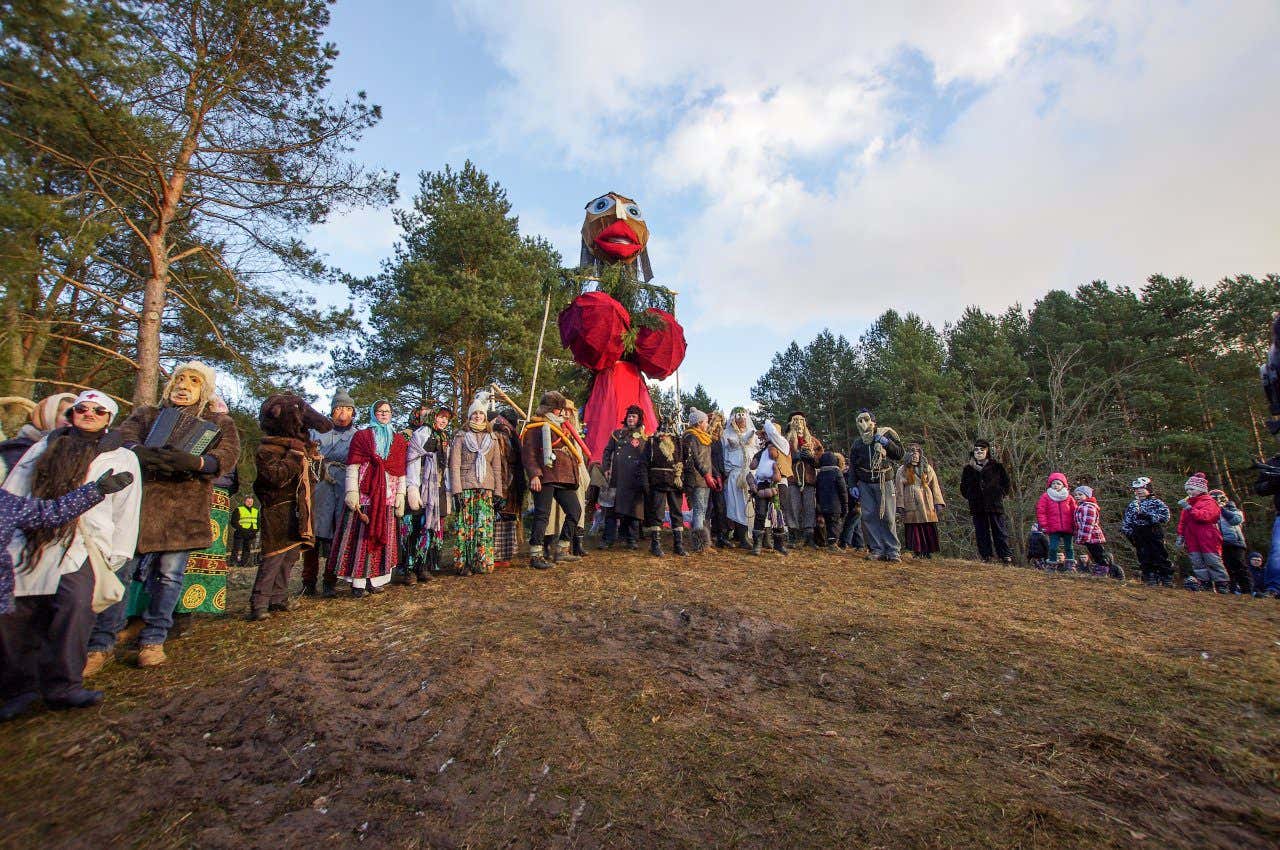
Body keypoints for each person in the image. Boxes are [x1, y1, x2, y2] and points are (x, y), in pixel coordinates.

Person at [86, 361, 240, 672]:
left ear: (204, 388)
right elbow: (121, 438)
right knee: (121, 571)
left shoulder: (218, 422)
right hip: (139, 505)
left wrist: (196, 462)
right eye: (179, 379)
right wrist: (137, 451)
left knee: (169, 576)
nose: (184, 386)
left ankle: (153, 639)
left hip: (183, 507)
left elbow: (227, 456)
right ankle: (101, 644)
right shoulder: (147, 415)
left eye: (193, 381)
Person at [0, 391, 138, 719]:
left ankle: (64, 685)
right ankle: (17, 688)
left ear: (109, 417)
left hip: (84, 542)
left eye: (98, 410)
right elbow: (16, 490)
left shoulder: (121, 456)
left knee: (75, 605)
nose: (89, 414)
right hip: (32, 537)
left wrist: (118, 553)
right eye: (82, 408)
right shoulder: (44, 447)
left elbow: (128, 509)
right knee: (18, 613)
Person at [249, 394, 329, 620]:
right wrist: (295, 456)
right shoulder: (268, 449)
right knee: (273, 555)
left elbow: (314, 479)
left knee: (291, 555)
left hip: (300, 508)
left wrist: (315, 461)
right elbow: (274, 477)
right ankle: (259, 602)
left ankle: (278, 597)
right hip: (278, 509)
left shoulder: (302, 449)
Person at [329, 401, 408, 598]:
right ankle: (358, 582)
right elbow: (353, 466)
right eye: (380, 411)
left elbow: (400, 471)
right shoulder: (362, 437)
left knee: (383, 538)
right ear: (373, 413)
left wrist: (400, 494)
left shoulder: (397, 440)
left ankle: (375, 579)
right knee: (361, 538)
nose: (384, 414)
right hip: (365, 496)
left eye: (388, 411)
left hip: (387, 496)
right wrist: (352, 491)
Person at [301, 390, 357, 596]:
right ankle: (308, 580)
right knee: (313, 534)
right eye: (339, 408)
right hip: (320, 485)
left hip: (344, 486)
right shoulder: (318, 431)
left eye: (348, 409)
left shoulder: (357, 435)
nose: (343, 413)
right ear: (333, 410)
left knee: (338, 535)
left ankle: (330, 581)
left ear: (353, 413)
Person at [520, 391, 583, 570]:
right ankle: (536, 554)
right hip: (545, 477)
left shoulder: (563, 427)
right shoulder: (535, 427)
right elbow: (529, 453)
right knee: (542, 515)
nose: (561, 412)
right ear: (549, 409)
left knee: (574, 511)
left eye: (561, 409)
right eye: (558, 409)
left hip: (564, 477)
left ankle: (562, 549)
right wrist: (534, 474)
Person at [448, 397, 506, 575]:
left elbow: (496, 467)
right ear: (470, 416)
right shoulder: (461, 436)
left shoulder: (493, 439)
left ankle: (481, 561)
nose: (478, 416)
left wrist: (498, 492)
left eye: (481, 413)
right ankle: (464, 563)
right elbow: (454, 465)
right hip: (466, 487)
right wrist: (456, 490)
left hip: (485, 488)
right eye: (475, 413)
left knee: (483, 526)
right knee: (465, 527)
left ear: (485, 416)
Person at [402, 405, 453, 581]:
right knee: (413, 527)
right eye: (440, 417)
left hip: (436, 487)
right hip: (420, 485)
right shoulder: (422, 433)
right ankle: (408, 569)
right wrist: (412, 487)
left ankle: (423, 566)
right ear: (433, 417)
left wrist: (447, 489)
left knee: (429, 527)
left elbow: (445, 465)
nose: (444, 420)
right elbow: (413, 460)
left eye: (446, 418)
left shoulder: (445, 437)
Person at [847, 409, 904, 562]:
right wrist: (852, 484)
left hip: (884, 480)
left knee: (888, 516)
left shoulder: (886, 435)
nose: (864, 424)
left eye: (866, 420)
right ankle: (876, 549)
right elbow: (853, 465)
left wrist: (887, 443)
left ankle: (892, 550)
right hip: (865, 483)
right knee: (869, 516)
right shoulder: (858, 443)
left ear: (873, 421)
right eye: (860, 421)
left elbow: (899, 454)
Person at [0, 392, 76, 481]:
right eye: (67, 415)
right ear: (50, 416)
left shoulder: (75, 451)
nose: (73, 421)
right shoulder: (18, 450)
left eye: (76, 415)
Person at [601, 405, 647, 550]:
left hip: (635, 478)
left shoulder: (644, 436)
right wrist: (606, 468)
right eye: (629, 416)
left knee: (634, 509)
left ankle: (631, 539)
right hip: (617, 477)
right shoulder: (617, 434)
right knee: (611, 508)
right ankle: (608, 539)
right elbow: (607, 452)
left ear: (638, 419)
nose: (631, 418)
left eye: (634, 416)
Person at [959, 439, 1013, 564]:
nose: (979, 452)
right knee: (981, 531)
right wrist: (971, 495)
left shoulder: (996, 466)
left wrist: (1000, 493)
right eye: (976, 449)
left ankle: (1005, 555)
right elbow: (963, 487)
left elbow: (1006, 483)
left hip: (995, 503)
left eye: (982, 450)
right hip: (977, 504)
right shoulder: (968, 469)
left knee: (999, 530)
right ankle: (986, 556)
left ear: (987, 451)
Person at [641, 417, 686, 558]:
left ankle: (678, 544)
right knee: (657, 513)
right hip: (657, 482)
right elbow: (643, 464)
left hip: (675, 482)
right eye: (664, 427)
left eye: (669, 427)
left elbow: (685, 462)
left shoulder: (678, 442)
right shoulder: (652, 441)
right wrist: (645, 483)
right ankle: (655, 544)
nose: (666, 431)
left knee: (677, 513)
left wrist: (685, 482)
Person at [1176, 472, 1228, 593]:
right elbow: (1183, 521)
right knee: (1197, 561)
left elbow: (1206, 516)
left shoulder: (1209, 502)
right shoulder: (1188, 503)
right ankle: (1205, 583)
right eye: (1188, 489)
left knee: (1212, 560)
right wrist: (1181, 535)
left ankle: (1221, 583)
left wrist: (1190, 509)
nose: (1189, 492)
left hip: (1208, 536)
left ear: (1201, 489)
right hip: (1192, 537)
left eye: (1192, 489)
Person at [1121, 477, 1174, 587]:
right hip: (1138, 532)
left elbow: (1165, 517)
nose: (1139, 491)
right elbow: (1127, 520)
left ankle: (1166, 576)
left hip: (1153, 531)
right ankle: (1149, 576)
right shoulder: (1133, 505)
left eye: (1141, 488)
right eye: (1136, 489)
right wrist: (1128, 532)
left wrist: (1150, 517)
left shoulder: (1156, 502)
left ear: (1148, 488)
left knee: (1159, 553)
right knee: (1143, 555)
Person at [748, 420, 790, 556]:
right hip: (762, 484)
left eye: (767, 434)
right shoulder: (763, 451)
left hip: (780, 483)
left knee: (778, 513)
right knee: (760, 513)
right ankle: (757, 544)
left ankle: (779, 544)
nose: (765, 437)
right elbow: (752, 465)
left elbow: (773, 434)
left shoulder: (783, 445)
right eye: (764, 435)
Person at [895, 443, 945, 559]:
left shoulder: (927, 468)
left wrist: (938, 502)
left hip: (926, 500)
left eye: (917, 452)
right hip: (911, 500)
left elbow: (935, 485)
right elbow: (899, 490)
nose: (915, 455)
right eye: (912, 452)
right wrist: (900, 505)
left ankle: (928, 551)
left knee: (927, 526)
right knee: (915, 526)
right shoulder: (902, 470)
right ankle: (917, 551)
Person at [783, 413, 824, 547]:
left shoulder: (812, 441)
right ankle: (793, 536)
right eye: (795, 420)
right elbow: (782, 458)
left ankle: (809, 536)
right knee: (792, 507)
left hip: (809, 479)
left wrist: (812, 459)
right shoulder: (786, 442)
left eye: (801, 420)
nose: (799, 423)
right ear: (791, 423)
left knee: (809, 507)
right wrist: (795, 457)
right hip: (792, 479)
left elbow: (820, 459)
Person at [489, 410, 523, 568]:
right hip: (503, 480)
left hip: (509, 481)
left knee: (506, 516)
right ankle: (497, 555)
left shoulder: (506, 434)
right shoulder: (500, 435)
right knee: (500, 515)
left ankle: (503, 555)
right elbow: (500, 460)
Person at [721, 408, 759, 549]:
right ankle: (742, 537)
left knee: (752, 505)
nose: (742, 419)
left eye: (744, 416)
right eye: (739, 417)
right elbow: (724, 455)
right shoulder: (726, 435)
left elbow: (757, 452)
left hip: (751, 474)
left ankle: (753, 535)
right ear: (733, 419)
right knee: (738, 505)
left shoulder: (753, 435)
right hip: (736, 475)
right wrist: (726, 473)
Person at [681, 408, 716, 554]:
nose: (707, 425)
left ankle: (704, 542)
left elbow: (707, 460)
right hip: (697, 478)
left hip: (705, 478)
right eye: (706, 422)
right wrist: (706, 474)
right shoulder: (691, 437)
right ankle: (700, 544)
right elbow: (695, 458)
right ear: (699, 423)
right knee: (699, 510)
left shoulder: (704, 437)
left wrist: (714, 475)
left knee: (703, 510)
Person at [1072, 485, 1118, 578]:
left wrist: (1084, 537)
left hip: (1093, 536)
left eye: (1080, 494)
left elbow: (1088, 523)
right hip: (1089, 536)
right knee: (1094, 553)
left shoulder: (1088, 507)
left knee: (1098, 553)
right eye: (1076, 495)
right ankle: (1100, 568)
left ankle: (1103, 569)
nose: (1077, 496)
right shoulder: (1081, 506)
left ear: (1087, 496)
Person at [1211, 489, 1251, 595]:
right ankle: (1230, 590)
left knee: (1239, 566)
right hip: (1219, 543)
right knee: (1225, 567)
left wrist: (1222, 509)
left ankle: (1247, 590)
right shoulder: (1211, 512)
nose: (1216, 501)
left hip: (1235, 542)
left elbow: (1236, 520)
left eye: (1219, 498)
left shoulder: (1233, 510)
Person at [1035, 472, 1077, 571]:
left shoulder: (1069, 497)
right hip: (1053, 527)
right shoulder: (1046, 496)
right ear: (1050, 485)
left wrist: (1076, 524)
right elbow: (1041, 511)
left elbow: (1074, 511)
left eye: (1058, 483)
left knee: (1069, 547)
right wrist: (1044, 525)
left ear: (1063, 485)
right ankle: (1052, 565)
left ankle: (1070, 566)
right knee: (1053, 547)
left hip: (1068, 527)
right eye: (1053, 483)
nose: (1056, 486)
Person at [816, 451, 849, 551]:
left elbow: (817, 490)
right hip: (835, 504)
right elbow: (842, 490)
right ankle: (833, 543)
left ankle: (829, 541)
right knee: (834, 524)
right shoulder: (837, 473)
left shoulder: (820, 474)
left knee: (828, 523)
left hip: (823, 504)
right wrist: (845, 504)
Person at [706, 411, 730, 548]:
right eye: (716, 422)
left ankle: (721, 535)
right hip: (710, 476)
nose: (718, 425)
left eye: (721, 422)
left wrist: (722, 474)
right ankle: (707, 536)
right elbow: (707, 460)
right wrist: (715, 474)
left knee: (721, 507)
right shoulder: (707, 440)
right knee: (709, 507)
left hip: (720, 475)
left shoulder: (720, 440)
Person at [838, 454, 863, 550]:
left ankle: (844, 541)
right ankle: (859, 544)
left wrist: (858, 502)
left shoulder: (848, 475)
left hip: (854, 503)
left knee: (850, 523)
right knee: (856, 524)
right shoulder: (853, 474)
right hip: (854, 503)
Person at [230, 495, 259, 568]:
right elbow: (233, 522)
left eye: (251, 502)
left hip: (251, 534)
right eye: (248, 501)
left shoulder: (256, 511)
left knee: (247, 549)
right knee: (236, 548)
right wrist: (242, 529)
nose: (249, 503)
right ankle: (233, 562)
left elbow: (258, 522)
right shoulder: (239, 509)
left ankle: (243, 563)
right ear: (244, 501)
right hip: (240, 532)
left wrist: (255, 531)